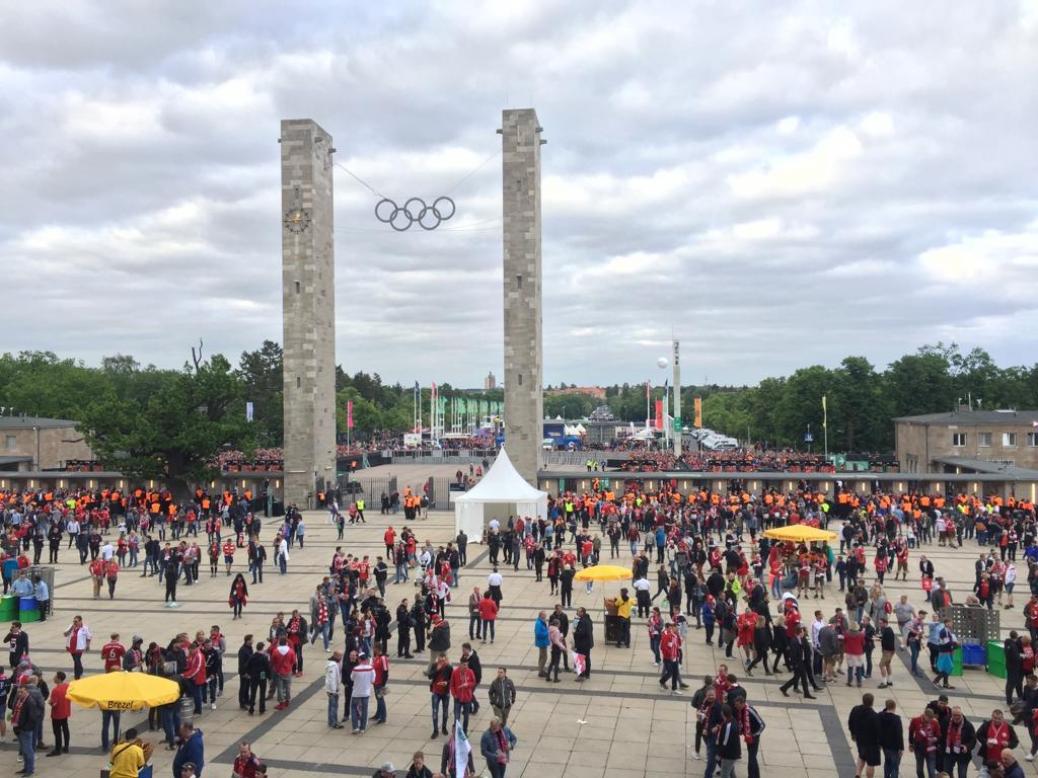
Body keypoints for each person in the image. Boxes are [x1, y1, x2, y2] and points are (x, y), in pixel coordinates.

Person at [12, 677, 43, 776]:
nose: (19, 694)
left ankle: (30, 770)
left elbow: (32, 718)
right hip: (19, 728)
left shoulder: (29, 702)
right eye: (19, 692)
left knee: (28, 750)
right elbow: (16, 711)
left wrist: (24, 727)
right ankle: (25, 768)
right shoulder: (20, 700)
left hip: (25, 729)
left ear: (26, 692)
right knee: (24, 751)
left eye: (22, 692)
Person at [848, 693, 882, 778]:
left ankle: (858, 774)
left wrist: (853, 733)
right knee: (871, 763)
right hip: (871, 743)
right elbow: (878, 731)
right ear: (872, 702)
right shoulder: (874, 716)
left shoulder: (855, 709)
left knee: (861, 756)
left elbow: (850, 721)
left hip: (859, 739)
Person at [732, 696, 765, 778]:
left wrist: (755, 735)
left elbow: (762, 725)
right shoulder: (740, 711)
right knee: (753, 757)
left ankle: (751, 776)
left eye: (737, 705)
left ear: (742, 703)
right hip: (748, 737)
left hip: (753, 737)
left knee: (751, 759)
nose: (736, 707)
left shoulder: (750, 711)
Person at [942, 706, 976, 778]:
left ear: (961, 714)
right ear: (951, 715)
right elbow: (941, 735)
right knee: (946, 773)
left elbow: (973, 740)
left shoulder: (968, 725)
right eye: (954, 715)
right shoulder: (946, 722)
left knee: (962, 775)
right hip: (949, 752)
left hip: (963, 754)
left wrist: (967, 747)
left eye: (958, 715)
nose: (956, 717)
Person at [908, 706, 941, 778]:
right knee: (919, 770)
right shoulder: (915, 720)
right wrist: (911, 744)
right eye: (929, 718)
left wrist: (934, 739)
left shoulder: (935, 723)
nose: (930, 720)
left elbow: (938, 736)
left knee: (931, 772)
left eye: (931, 718)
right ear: (924, 715)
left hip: (931, 748)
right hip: (919, 748)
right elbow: (911, 732)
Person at [46, 671, 71, 756]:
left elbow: (54, 703)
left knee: (57, 732)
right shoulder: (67, 686)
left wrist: (50, 702)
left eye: (55, 676)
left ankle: (58, 749)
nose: (54, 678)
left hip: (57, 714)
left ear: (59, 678)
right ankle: (66, 746)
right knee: (65, 729)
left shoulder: (55, 690)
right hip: (65, 711)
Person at [714, 702, 742, 778]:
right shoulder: (731, 720)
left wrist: (719, 754)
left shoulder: (729, 726)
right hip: (733, 753)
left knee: (725, 774)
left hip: (728, 755)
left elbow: (725, 743)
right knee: (731, 771)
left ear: (723, 713)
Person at [877, 698, 903, 778]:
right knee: (895, 766)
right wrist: (901, 748)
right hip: (894, 746)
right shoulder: (896, 719)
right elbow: (899, 734)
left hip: (885, 745)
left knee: (887, 762)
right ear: (894, 707)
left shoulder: (880, 716)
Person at [350, 652, 375, 734]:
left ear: (359, 659)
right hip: (366, 692)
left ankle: (355, 727)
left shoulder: (355, 669)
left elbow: (352, 678)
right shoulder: (371, 668)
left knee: (353, 709)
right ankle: (362, 728)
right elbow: (373, 680)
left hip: (356, 692)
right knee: (364, 710)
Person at [245, 641, 270, 716]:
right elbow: (267, 668)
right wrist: (269, 676)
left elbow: (247, 666)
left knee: (253, 692)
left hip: (254, 675)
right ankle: (262, 708)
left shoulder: (252, 657)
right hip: (262, 675)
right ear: (262, 648)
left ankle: (251, 708)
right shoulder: (264, 657)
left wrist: (249, 673)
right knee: (262, 692)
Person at [63, 615, 91, 680]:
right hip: (71, 646)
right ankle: (80, 669)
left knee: (76, 660)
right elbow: (65, 634)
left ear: (80, 621)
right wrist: (71, 628)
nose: (75, 623)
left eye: (76, 621)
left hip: (79, 647)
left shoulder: (85, 628)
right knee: (75, 660)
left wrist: (88, 645)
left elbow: (89, 637)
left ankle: (77, 676)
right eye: (74, 621)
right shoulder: (71, 626)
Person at [573, 607, 594, 680]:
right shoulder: (589, 620)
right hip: (588, 643)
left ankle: (581, 675)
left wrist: (575, 633)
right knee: (587, 658)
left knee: (580, 659)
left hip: (582, 644)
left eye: (578, 611)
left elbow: (582, 633)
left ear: (582, 613)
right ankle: (587, 674)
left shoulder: (582, 621)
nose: (577, 612)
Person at [325, 650, 344, 729]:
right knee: (334, 706)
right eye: (340, 656)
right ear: (336, 656)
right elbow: (332, 679)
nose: (341, 658)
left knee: (331, 706)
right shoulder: (333, 665)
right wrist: (334, 690)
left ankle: (331, 721)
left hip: (331, 689)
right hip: (333, 690)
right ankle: (334, 722)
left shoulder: (332, 663)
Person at [534, 612, 550, 678]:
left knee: (541, 656)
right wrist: (547, 632)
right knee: (544, 657)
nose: (546, 615)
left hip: (543, 642)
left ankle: (541, 670)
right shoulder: (539, 623)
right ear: (541, 615)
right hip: (542, 642)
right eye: (544, 614)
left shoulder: (542, 621)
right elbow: (538, 634)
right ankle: (541, 671)